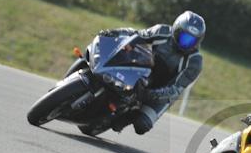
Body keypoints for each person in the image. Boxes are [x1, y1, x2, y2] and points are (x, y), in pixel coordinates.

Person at [66, 11, 205, 135]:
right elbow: (137, 35)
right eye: (183, 37)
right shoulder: (162, 31)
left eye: (191, 40)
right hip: (144, 70)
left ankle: (120, 118)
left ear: (197, 42)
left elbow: (176, 89)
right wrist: (114, 32)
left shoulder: (195, 61)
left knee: (142, 124)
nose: (185, 43)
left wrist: (151, 94)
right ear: (176, 30)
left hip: (163, 91)